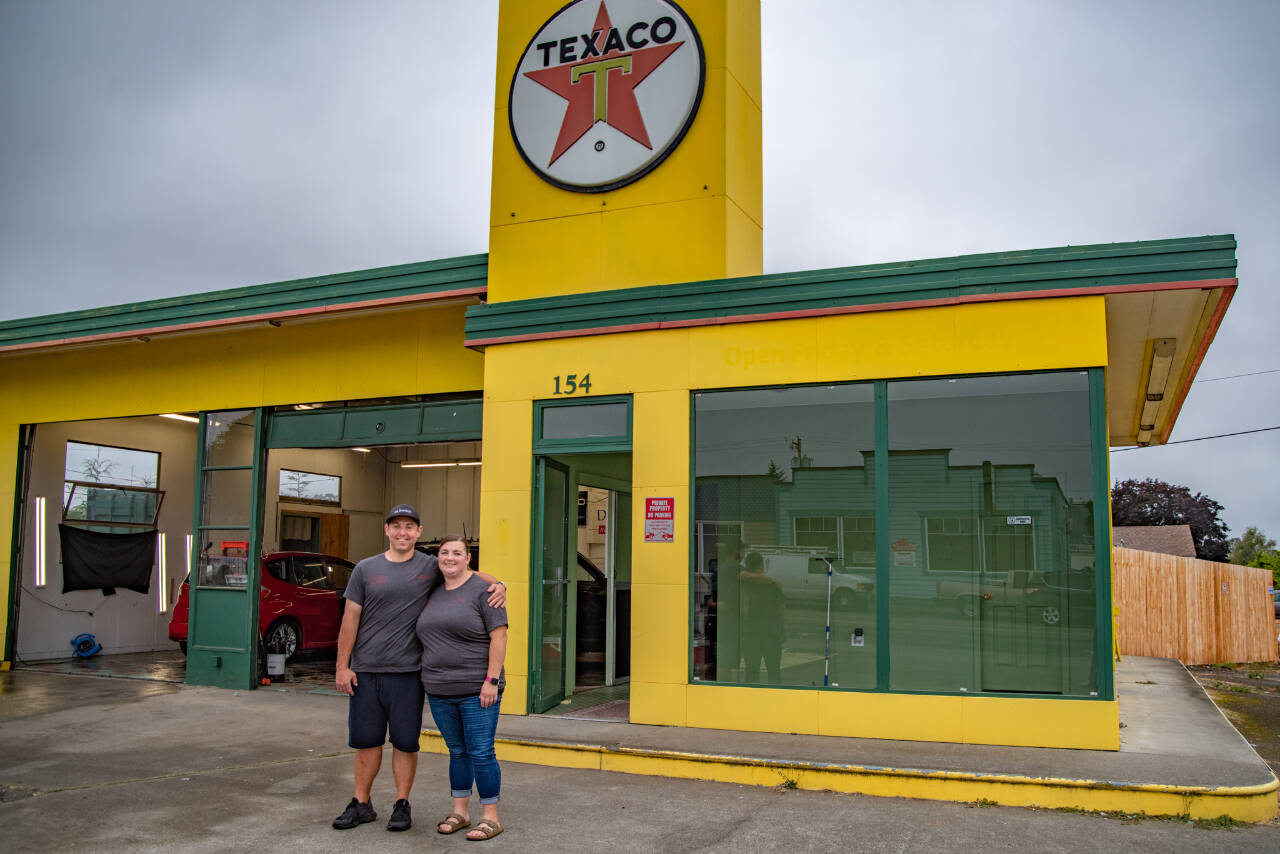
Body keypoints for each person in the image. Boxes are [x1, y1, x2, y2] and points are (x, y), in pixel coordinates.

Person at [332, 505, 505, 832]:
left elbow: (471, 576)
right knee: (367, 742)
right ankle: (361, 803)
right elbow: (350, 619)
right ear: (386, 531)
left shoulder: (431, 565)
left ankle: (401, 804)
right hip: (367, 671)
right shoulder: (366, 569)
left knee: (405, 743)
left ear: (418, 532)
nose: (402, 532)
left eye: (409, 527)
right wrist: (343, 666)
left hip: (410, 674)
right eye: (396, 526)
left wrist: (501, 584)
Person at [417, 534, 508, 841]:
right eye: (444, 552)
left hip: (478, 689)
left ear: (469, 558)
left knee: (481, 752)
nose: (450, 557)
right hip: (440, 689)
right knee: (457, 752)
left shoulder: (485, 592)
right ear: (437, 558)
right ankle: (460, 812)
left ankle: (490, 817)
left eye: (458, 553)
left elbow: (499, 636)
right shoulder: (431, 590)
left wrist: (491, 680)